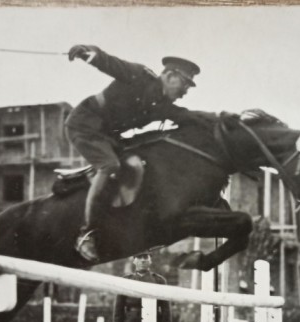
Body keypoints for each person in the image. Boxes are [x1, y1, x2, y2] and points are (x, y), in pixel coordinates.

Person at [65, 45, 215, 262]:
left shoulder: (163, 106)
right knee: (110, 166)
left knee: (140, 162)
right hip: (85, 125)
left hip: (109, 136)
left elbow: (189, 116)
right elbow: (111, 63)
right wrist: (90, 53)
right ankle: (86, 233)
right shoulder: (138, 75)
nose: (184, 92)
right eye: (184, 85)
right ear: (170, 76)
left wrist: (224, 120)